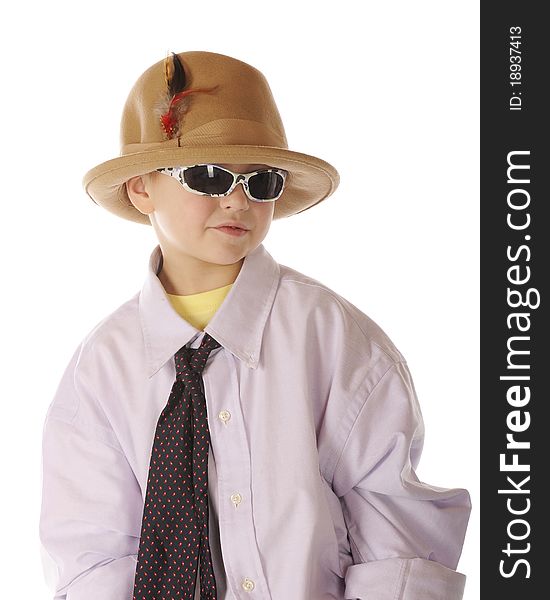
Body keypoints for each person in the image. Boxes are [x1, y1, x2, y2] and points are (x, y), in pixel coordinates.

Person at [39, 50, 471, 600]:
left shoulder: (330, 338)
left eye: (260, 181)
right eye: (208, 175)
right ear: (142, 187)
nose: (237, 199)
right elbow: (92, 550)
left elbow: (392, 520)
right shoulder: (101, 368)